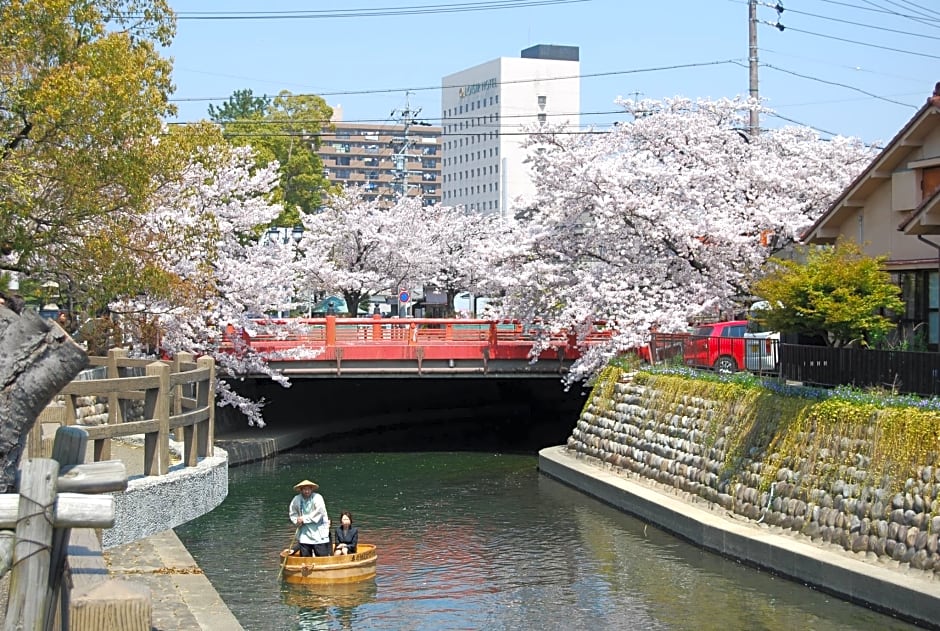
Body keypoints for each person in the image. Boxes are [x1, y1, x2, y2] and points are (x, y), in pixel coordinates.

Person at [285, 479, 331, 557]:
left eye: (308, 489)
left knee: (322, 557)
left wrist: (304, 519)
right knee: (305, 558)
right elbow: (292, 513)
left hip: (318, 532)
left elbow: (319, 512)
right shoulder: (296, 499)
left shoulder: (318, 497)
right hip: (304, 533)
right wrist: (297, 520)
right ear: (301, 490)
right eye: (304, 489)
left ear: (311, 489)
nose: (307, 491)